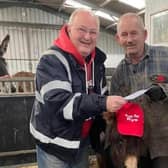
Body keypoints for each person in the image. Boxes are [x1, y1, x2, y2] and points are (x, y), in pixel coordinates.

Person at [30, 8, 126, 168]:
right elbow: (61, 103)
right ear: (68, 29)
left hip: (80, 143)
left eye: (93, 32)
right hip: (54, 145)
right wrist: (104, 103)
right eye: (82, 30)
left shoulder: (97, 62)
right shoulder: (51, 61)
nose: (87, 37)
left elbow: (101, 95)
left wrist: (111, 116)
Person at [110, 12, 168, 168]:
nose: (129, 39)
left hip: (163, 143)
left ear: (145, 34)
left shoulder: (165, 56)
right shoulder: (118, 74)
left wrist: (164, 90)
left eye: (134, 33)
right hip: (134, 146)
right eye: (124, 34)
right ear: (118, 38)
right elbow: (113, 114)